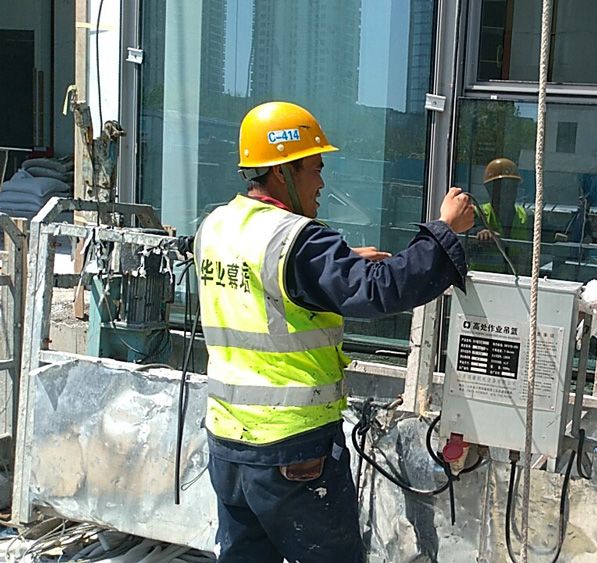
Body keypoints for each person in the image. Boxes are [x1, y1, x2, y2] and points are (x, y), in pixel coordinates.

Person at [194, 101, 474, 562]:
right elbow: (381, 290)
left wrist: (337, 267)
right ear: (282, 171)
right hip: (292, 449)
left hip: (228, 443)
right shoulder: (298, 239)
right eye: (315, 168)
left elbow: (267, 289)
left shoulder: (217, 226)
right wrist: (444, 231)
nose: (322, 182)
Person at [470, 157, 531, 273]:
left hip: (518, 279)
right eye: (502, 187)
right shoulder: (478, 214)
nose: (507, 191)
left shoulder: (527, 216)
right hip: (483, 279)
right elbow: (462, 239)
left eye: (511, 186)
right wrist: (479, 234)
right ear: (490, 189)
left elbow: (546, 237)